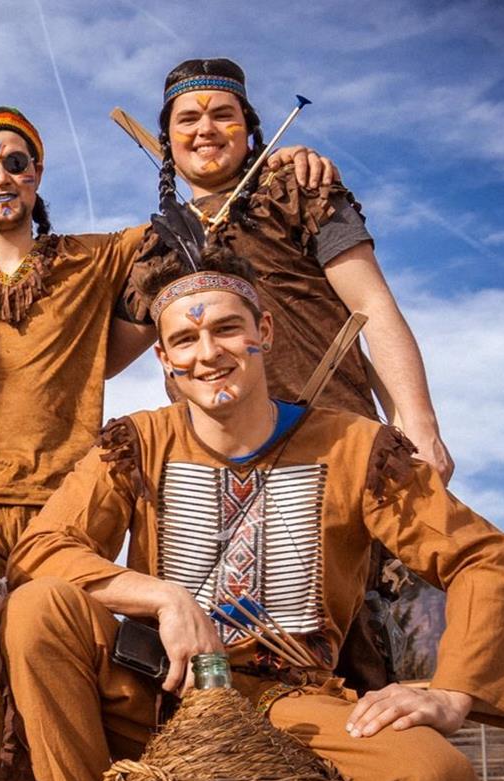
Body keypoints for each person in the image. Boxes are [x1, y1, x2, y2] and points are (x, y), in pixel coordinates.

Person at [0, 106, 335, 781]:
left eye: (16, 160)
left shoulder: (93, 259)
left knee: (54, 702)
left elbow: (191, 218)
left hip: (63, 520)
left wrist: (287, 166)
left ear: (38, 173)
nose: (0, 177)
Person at [3, 248, 504, 781]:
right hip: (155, 698)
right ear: (164, 360)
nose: (207, 352)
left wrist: (454, 691)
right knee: (38, 607)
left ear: (264, 334)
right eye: (185, 339)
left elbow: (483, 556)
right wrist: (161, 596)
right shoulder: (137, 442)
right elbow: (40, 550)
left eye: (226, 329)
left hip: (291, 708)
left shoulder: (355, 447)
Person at [113, 57, 452, 483]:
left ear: (250, 130)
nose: (205, 129)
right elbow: (104, 360)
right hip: (211, 470)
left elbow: (373, 305)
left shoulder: (296, 190)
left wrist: (419, 425)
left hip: (333, 446)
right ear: (168, 141)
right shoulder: (158, 243)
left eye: (222, 115)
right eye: (188, 119)